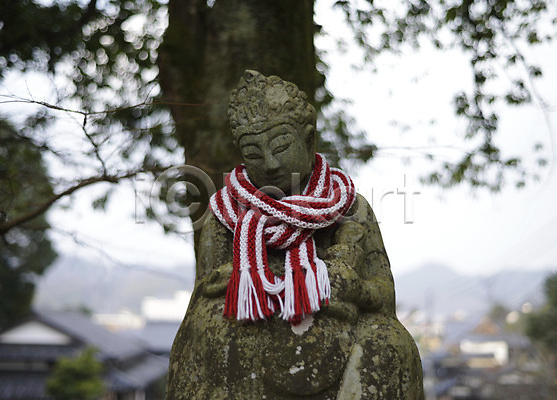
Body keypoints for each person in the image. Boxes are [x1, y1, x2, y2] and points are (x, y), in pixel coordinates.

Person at [166, 70, 424, 399]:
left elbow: (384, 296)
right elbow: (204, 296)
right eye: (254, 154)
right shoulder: (226, 213)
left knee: (391, 342)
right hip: (254, 330)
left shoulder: (350, 207)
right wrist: (249, 279)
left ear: (308, 139)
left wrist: (351, 287)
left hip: (338, 329)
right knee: (210, 327)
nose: (270, 163)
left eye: (281, 146)